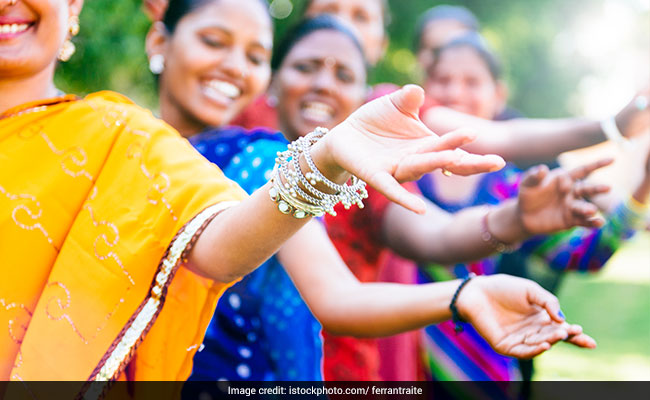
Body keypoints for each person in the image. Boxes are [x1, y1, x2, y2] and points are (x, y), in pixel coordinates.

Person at [1, 0, 595, 389]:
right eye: (214, 39)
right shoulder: (119, 141)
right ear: (162, 39)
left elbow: (257, 263)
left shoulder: (216, 154)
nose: (233, 66)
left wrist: (327, 159)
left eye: (254, 54)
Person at [415, 33, 649, 390]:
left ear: (499, 96)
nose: (456, 94)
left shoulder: (513, 189)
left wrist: (642, 189)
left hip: (484, 376)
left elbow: (586, 253)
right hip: (393, 372)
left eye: (472, 82)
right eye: (443, 81)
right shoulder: (400, 178)